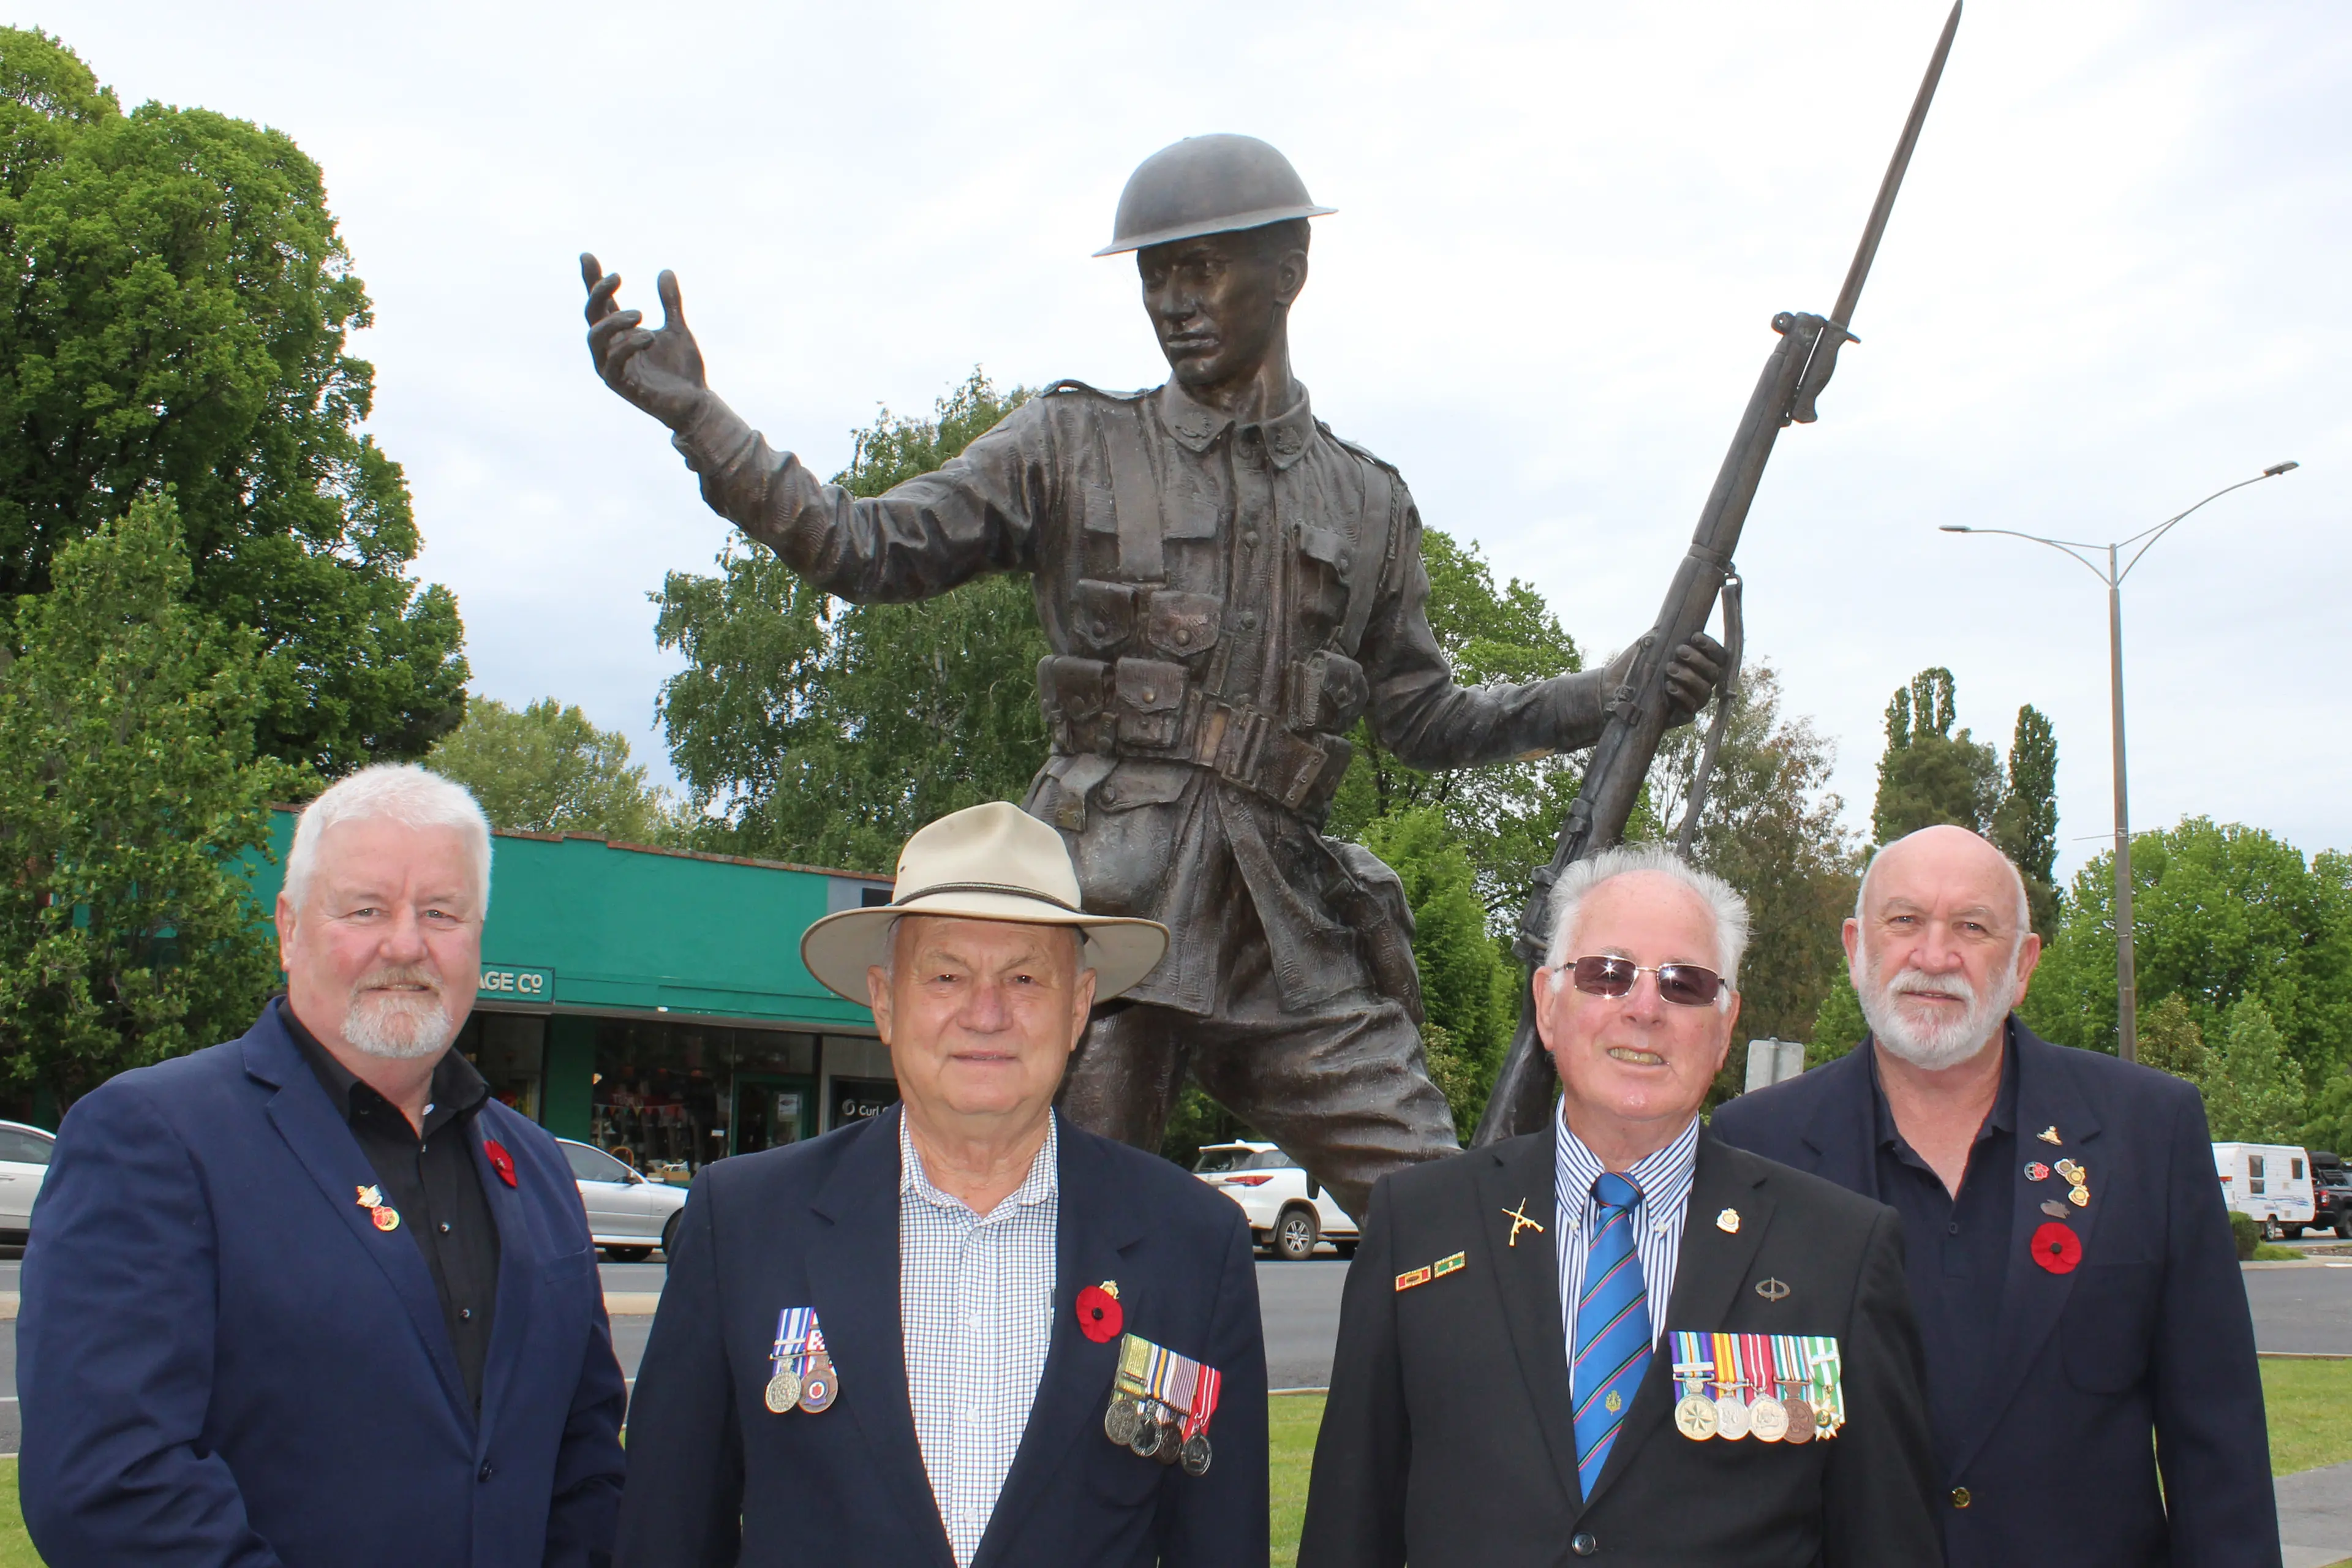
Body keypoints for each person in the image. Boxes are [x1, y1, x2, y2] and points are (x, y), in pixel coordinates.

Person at [580, 134, 1723, 1218]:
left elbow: (1424, 717)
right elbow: (861, 545)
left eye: (1204, 271)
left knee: (1451, 1210)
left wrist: (1604, 695)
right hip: (1106, 918)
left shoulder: (1368, 503)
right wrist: (698, 418)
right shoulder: (1070, 446)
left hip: (1285, 934)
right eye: (1156, 275)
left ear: (1289, 272)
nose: (1174, 301)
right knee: (1067, 1238)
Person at [615, 802, 1268, 1567]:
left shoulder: (1192, 1242)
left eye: (1025, 976)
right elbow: (664, 1536)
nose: (985, 1013)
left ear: (1079, 1007)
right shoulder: (743, 1223)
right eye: (947, 974)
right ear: (886, 1003)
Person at [18, 764, 627, 1567]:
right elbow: (108, 1485)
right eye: (366, 909)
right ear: (289, 928)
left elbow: (584, 1454)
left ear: (476, 937)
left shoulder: (537, 1167)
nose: (405, 943)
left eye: (441, 913)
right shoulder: (154, 1139)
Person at [1298, 845, 1940, 1567]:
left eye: (1685, 984)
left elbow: (1889, 1542)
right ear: (1547, 1003)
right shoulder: (1418, 1223)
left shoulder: (1840, 1252)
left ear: (1726, 1027)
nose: (1644, 1009)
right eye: (1607, 974)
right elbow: (1348, 1529)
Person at [1711, 824, 2282, 1567]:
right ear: (1857, 948)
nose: (1934, 955)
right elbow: (1733, 1449)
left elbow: (2219, 1439)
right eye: (1905, 920)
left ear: (2023, 965)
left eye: (1972, 927)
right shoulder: (1756, 1144)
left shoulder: (2150, 1129)